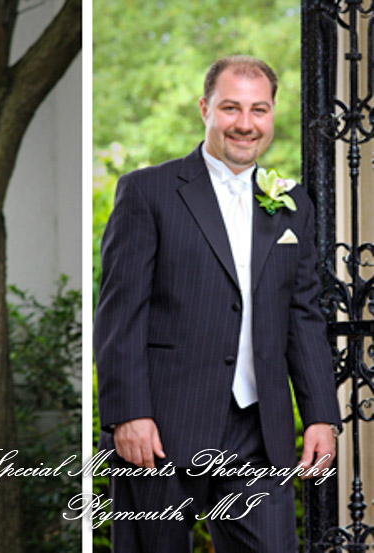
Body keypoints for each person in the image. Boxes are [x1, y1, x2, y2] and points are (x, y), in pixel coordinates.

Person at [95, 55, 339, 551]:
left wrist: (320, 415)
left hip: (258, 429)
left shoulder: (293, 204)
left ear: (272, 114)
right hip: (160, 428)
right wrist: (128, 413)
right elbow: (121, 315)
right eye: (231, 108)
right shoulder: (148, 192)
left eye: (259, 109)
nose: (245, 124)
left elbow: (304, 314)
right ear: (205, 108)